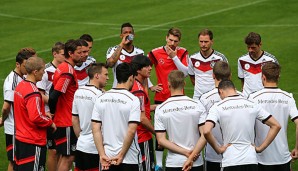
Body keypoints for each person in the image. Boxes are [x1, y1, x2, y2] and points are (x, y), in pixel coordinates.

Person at [204, 80, 281, 171]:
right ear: (235, 89)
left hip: (230, 160)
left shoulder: (217, 107)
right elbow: (276, 125)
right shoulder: (252, 104)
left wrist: (218, 149)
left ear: (220, 91)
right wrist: (260, 148)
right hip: (251, 159)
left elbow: (206, 131)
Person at [148, 27, 189, 169]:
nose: (172, 43)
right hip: (161, 98)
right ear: (166, 38)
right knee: (160, 131)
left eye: (175, 41)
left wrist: (174, 57)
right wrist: (151, 86)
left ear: (179, 41)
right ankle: (159, 164)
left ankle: (182, 157)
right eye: (170, 40)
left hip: (179, 96)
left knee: (179, 129)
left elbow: (186, 72)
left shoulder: (183, 52)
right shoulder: (155, 52)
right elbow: (142, 68)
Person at [248, 62, 298, 171]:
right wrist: (297, 148)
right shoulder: (288, 97)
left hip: (260, 158)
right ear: (278, 77)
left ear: (263, 77)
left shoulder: (253, 98)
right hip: (283, 158)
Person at [92, 63, 142, 171]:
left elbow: (95, 128)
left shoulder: (101, 98)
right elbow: (131, 131)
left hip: (107, 158)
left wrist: (101, 154)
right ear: (131, 78)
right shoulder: (133, 100)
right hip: (129, 157)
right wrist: (121, 154)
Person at [154, 70, 206, 171]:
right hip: (196, 161)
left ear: (168, 85)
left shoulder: (161, 109)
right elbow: (205, 135)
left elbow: (161, 140)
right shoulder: (198, 105)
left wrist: (185, 153)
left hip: (174, 162)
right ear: (184, 84)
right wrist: (191, 156)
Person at [13, 57, 56, 170]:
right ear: (35, 71)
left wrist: (43, 113)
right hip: (33, 140)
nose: (44, 72)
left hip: (21, 138)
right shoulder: (33, 92)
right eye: (42, 70)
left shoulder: (21, 86)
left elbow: (27, 111)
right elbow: (35, 117)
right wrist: (50, 122)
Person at [48, 39, 83, 171]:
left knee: (64, 156)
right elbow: (53, 95)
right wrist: (52, 113)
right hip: (67, 120)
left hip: (63, 118)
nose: (81, 55)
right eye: (78, 52)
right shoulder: (68, 71)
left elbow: (52, 89)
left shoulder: (61, 67)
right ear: (70, 53)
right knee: (68, 157)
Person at [0, 47, 36, 171]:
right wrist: (2, 120)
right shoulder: (13, 81)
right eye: (26, 65)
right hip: (14, 128)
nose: (28, 68)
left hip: (22, 128)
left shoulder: (23, 77)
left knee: (22, 161)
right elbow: (6, 107)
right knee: (14, 161)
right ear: (17, 64)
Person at [72, 63, 109, 171]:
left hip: (81, 145)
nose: (108, 77)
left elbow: (74, 119)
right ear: (97, 75)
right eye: (105, 74)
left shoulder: (78, 92)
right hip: (95, 148)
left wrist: (81, 137)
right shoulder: (100, 96)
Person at [36, 42, 65, 171]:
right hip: (51, 115)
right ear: (55, 54)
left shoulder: (66, 69)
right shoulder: (46, 71)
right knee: (53, 151)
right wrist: (54, 103)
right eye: (63, 54)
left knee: (62, 150)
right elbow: (39, 94)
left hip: (63, 115)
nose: (66, 57)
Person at [131, 55, 156, 171]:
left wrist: (157, 107)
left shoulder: (134, 85)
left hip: (134, 136)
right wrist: (157, 134)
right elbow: (142, 118)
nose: (150, 68)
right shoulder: (139, 91)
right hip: (142, 136)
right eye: (146, 66)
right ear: (138, 70)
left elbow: (140, 109)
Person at [188, 29, 228, 100]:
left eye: (206, 42)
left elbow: (227, 78)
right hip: (198, 97)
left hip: (215, 97)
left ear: (212, 42)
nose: (203, 44)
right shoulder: (192, 58)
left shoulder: (220, 58)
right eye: (201, 42)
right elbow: (192, 77)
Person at [238, 32, 278, 97]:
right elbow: (242, 79)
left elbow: (275, 79)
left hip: (264, 98)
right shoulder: (242, 60)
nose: (250, 50)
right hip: (248, 98)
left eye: (253, 47)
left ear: (260, 44)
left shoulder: (271, 60)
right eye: (248, 47)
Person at [106, 22, 144, 88]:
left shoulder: (140, 52)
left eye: (130, 32)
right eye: (125, 33)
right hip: (118, 89)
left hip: (136, 90)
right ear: (121, 36)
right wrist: (122, 44)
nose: (128, 35)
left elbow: (143, 75)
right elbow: (110, 64)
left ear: (133, 35)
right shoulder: (113, 50)